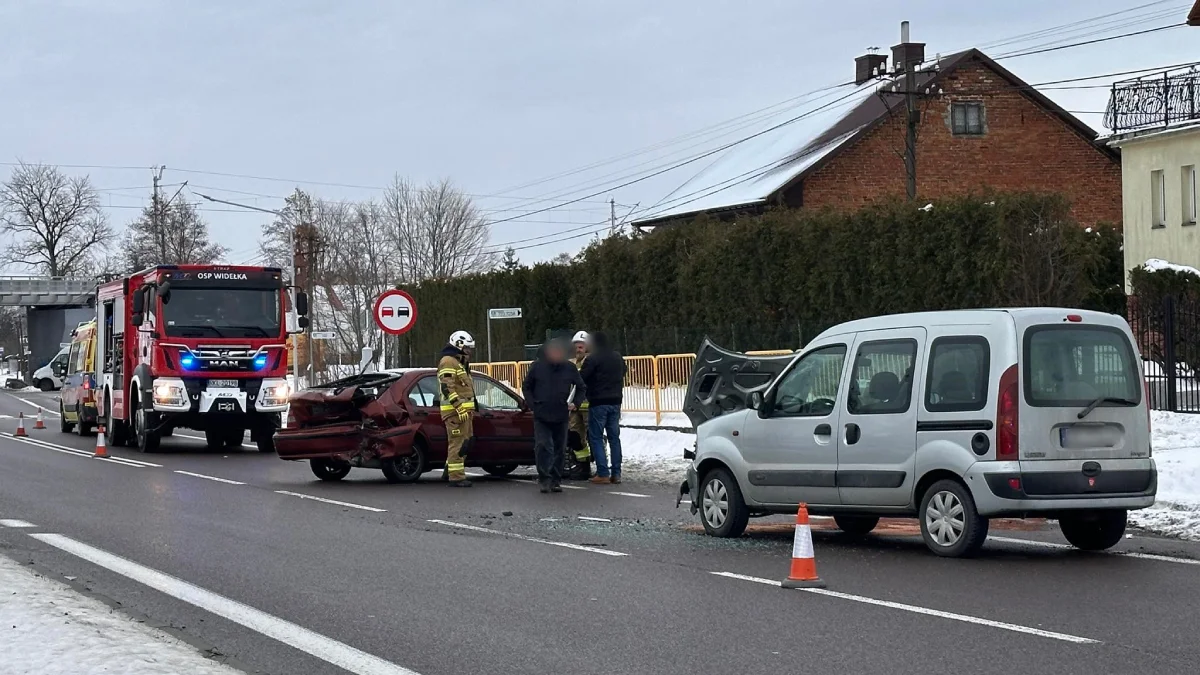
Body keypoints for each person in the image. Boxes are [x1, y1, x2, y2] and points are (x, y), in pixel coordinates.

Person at [521, 338, 586, 493]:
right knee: (543, 446)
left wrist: (575, 404)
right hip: (541, 415)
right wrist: (533, 405)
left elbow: (581, 387)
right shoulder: (537, 367)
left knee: (559, 449)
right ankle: (544, 478)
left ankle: (555, 480)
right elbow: (526, 387)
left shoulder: (569, 368)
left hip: (561, 415)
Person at [581, 331, 626, 484]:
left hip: (598, 402)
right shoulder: (617, 357)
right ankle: (616, 473)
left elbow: (582, 378)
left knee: (596, 437)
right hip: (616, 401)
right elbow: (623, 373)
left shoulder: (592, 359)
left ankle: (603, 473)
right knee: (614, 438)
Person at [438, 330, 476, 488]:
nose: (469, 351)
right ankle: (456, 477)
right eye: (467, 348)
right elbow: (447, 387)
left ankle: (450, 471)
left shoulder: (459, 362)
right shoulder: (448, 362)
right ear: (459, 346)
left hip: (463, 413)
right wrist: (459, 407)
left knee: (465, 443)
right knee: (457, 444)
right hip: (455, 413)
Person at [566, 331, 593, 480]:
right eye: (576, 346)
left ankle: (602, 468)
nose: (578, 349)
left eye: (581, 346)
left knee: (593, 437)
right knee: (576, 436)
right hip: (575, 407)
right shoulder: (572, 363)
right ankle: (584, 467)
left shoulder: (591, 362)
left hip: (588, 407)